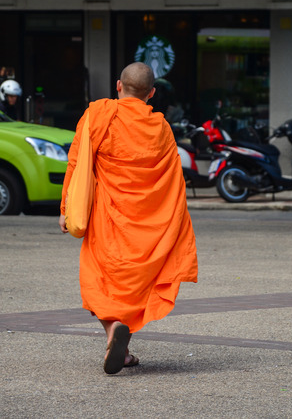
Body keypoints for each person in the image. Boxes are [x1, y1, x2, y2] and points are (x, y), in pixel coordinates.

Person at [59, 62, 198, 375]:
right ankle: (120, 346)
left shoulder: (97, 114)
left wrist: (66, 209)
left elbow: (77, 164)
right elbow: (172, 178)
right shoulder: (160, 127)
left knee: (99, 280)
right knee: (139, 282)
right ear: (151, 93)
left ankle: (113, 332)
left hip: (105, 218)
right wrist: (173, 222)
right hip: (148, 223)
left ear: (118, 86)